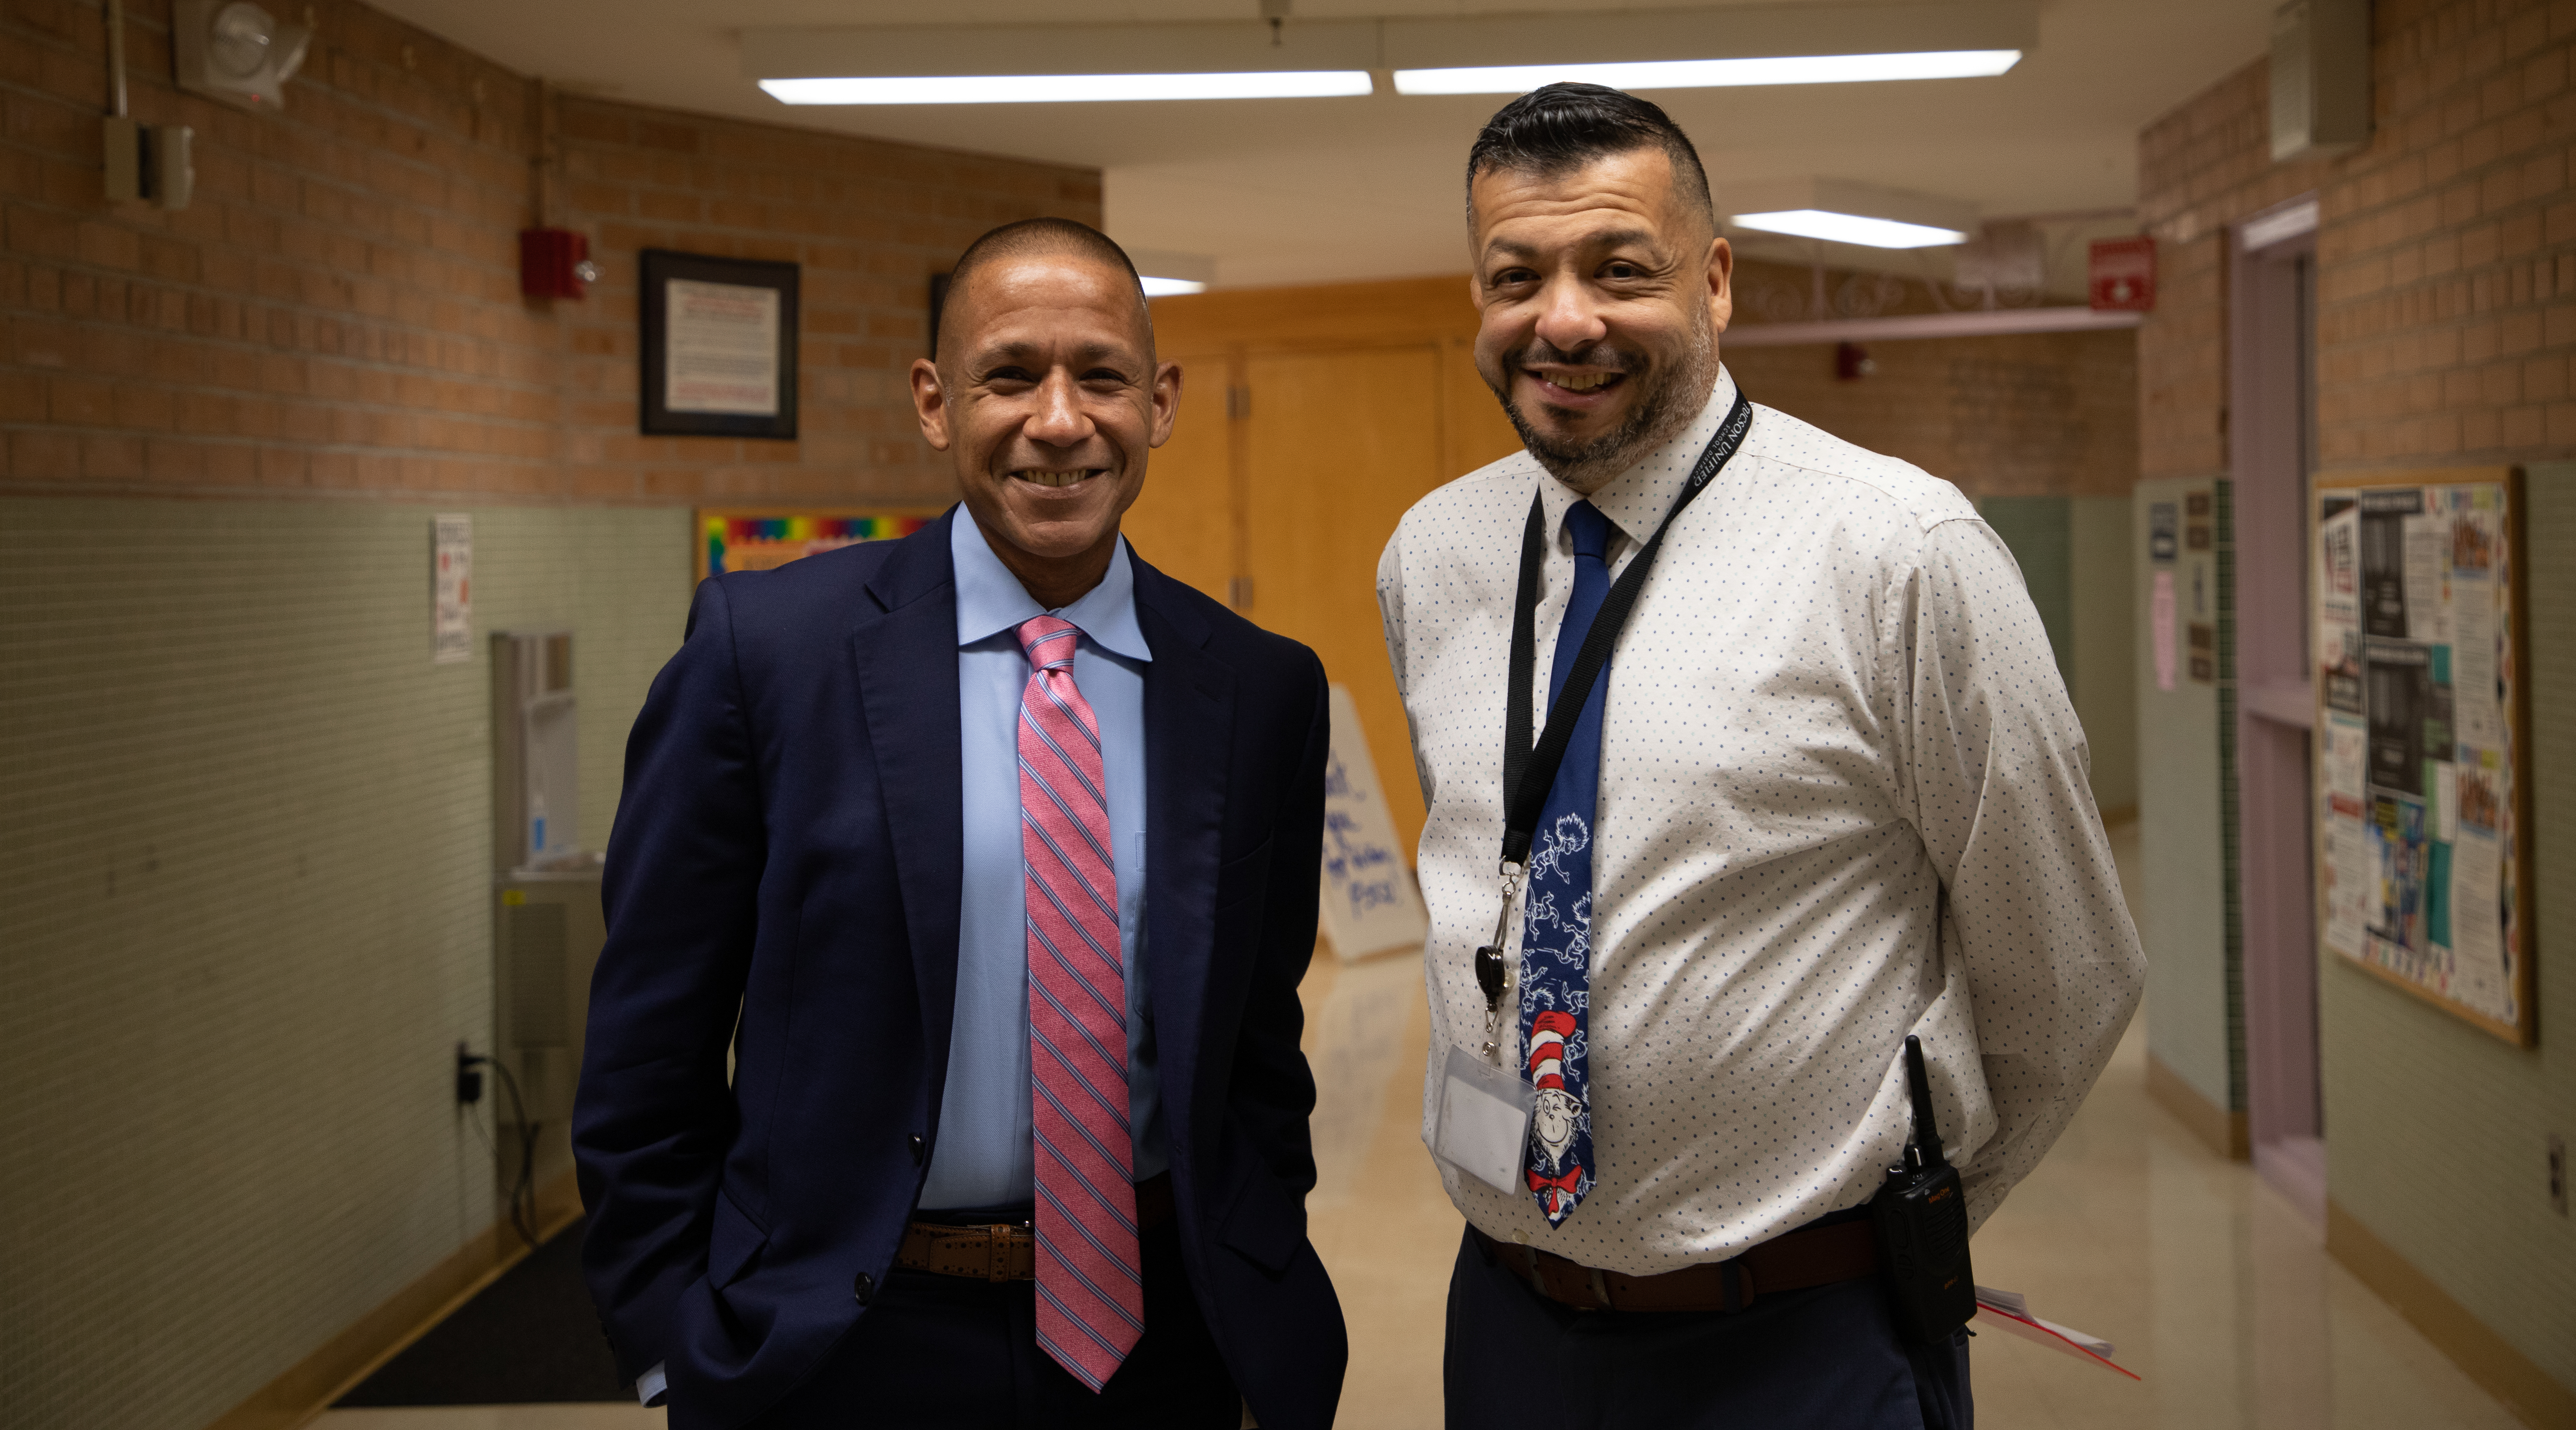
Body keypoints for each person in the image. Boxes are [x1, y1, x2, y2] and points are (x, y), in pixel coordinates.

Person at [1377, 84, 2147, 1428]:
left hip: (1805, 1338)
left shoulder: (1897, 553)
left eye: (1621, 269)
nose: (1564, 320)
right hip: (1506, 1321)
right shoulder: (1430, 554)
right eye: (1519, 277)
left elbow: (2066, 970)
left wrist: (1889, 1209)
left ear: (1716, 281)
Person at [576, 218, 1347, 1430]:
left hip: (1165, 1350)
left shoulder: (1259, 689)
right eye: (1009, 375)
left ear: (1162, 401)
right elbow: (646, 1050)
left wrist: (1256, 1281)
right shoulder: (765, 656)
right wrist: (678, 1347)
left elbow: (1258, 1050)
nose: (1058, 420)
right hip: (845, 1351)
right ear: (936, 403)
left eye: (1100, 375)